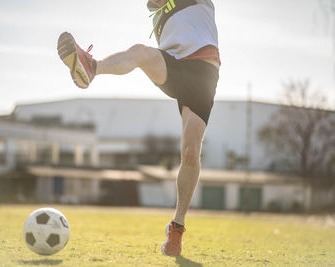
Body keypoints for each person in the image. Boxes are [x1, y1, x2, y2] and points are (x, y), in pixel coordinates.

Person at [57, 0, 220, 256]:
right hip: (173, 66)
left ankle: (176, 228)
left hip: (203, 73)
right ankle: (91, 67)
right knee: (141, 52)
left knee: (190, 153)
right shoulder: (157, 14)